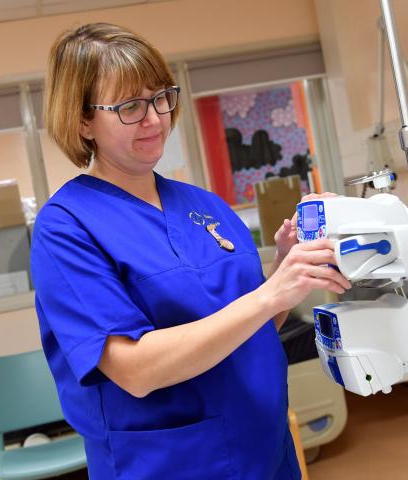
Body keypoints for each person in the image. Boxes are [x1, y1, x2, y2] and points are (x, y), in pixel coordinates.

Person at [31, 22, 351, 479]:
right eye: (130, 106)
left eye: (161, 96)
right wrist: (271, 293)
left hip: (266, 450)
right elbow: (135, 369)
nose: (155, 118)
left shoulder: (204, 206)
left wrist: (288, 268)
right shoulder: (66, 229)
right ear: (83, 120)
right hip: (174, 463)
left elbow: (255, 323)